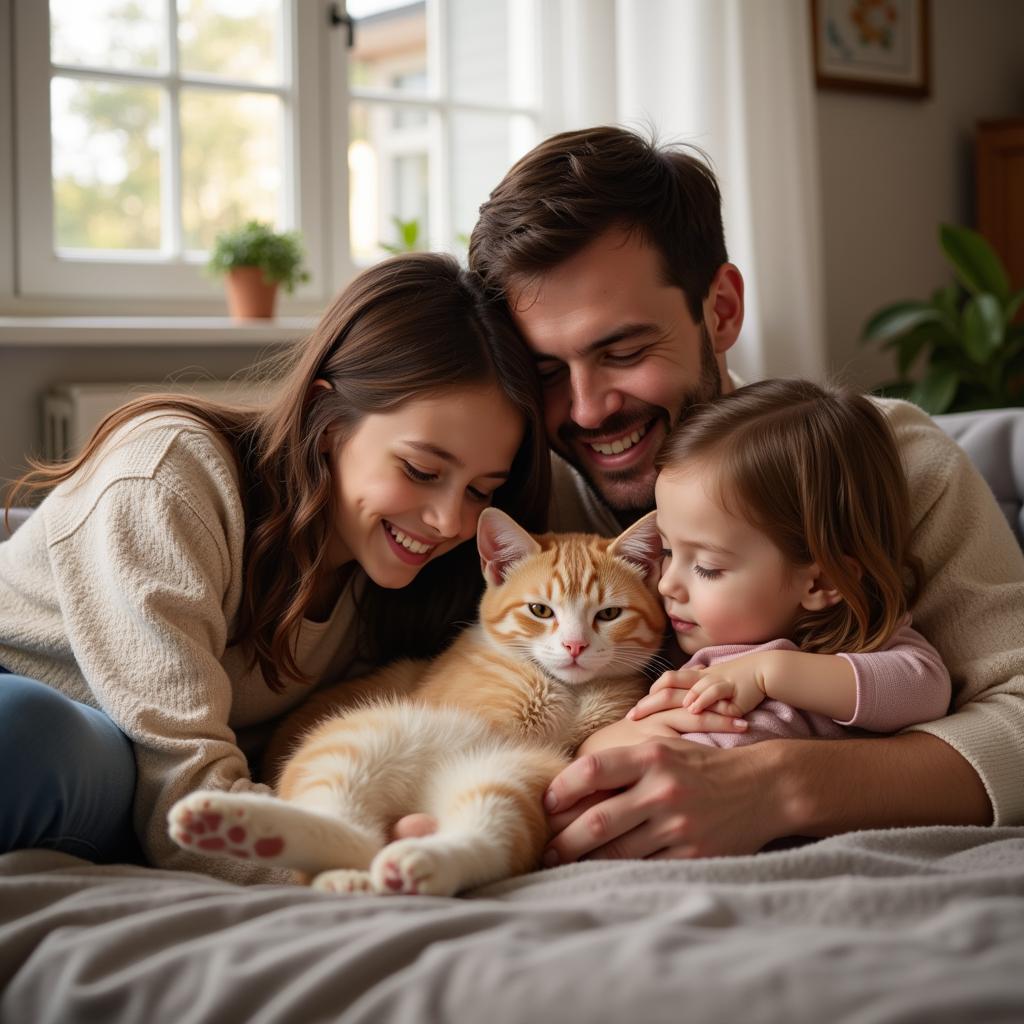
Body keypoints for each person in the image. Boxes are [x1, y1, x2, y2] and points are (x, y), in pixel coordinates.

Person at [468, 124, 1024, 863]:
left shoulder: (883, 462)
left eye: (625, 351)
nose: (588, 408)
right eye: (545, 373)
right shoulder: (522, 502)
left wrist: (775, 784)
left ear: (721, 310)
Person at [0, 253, 551, 884]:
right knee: (39, 738)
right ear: (326, 425)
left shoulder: (403, 579)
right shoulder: (170, 476)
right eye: (421, 471)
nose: (452, 522)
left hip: (140, 774)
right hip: (44, 705)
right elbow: (180, 779)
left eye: (481, 490)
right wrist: (331, 869)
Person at [613, 379, 951, 761]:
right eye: (668, 550)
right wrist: (629, 731)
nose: (668, 584)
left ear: (822, 581)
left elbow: (927, 690)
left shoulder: (852, 652)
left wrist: (768, 672)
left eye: (707, 568)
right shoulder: (668, 649)